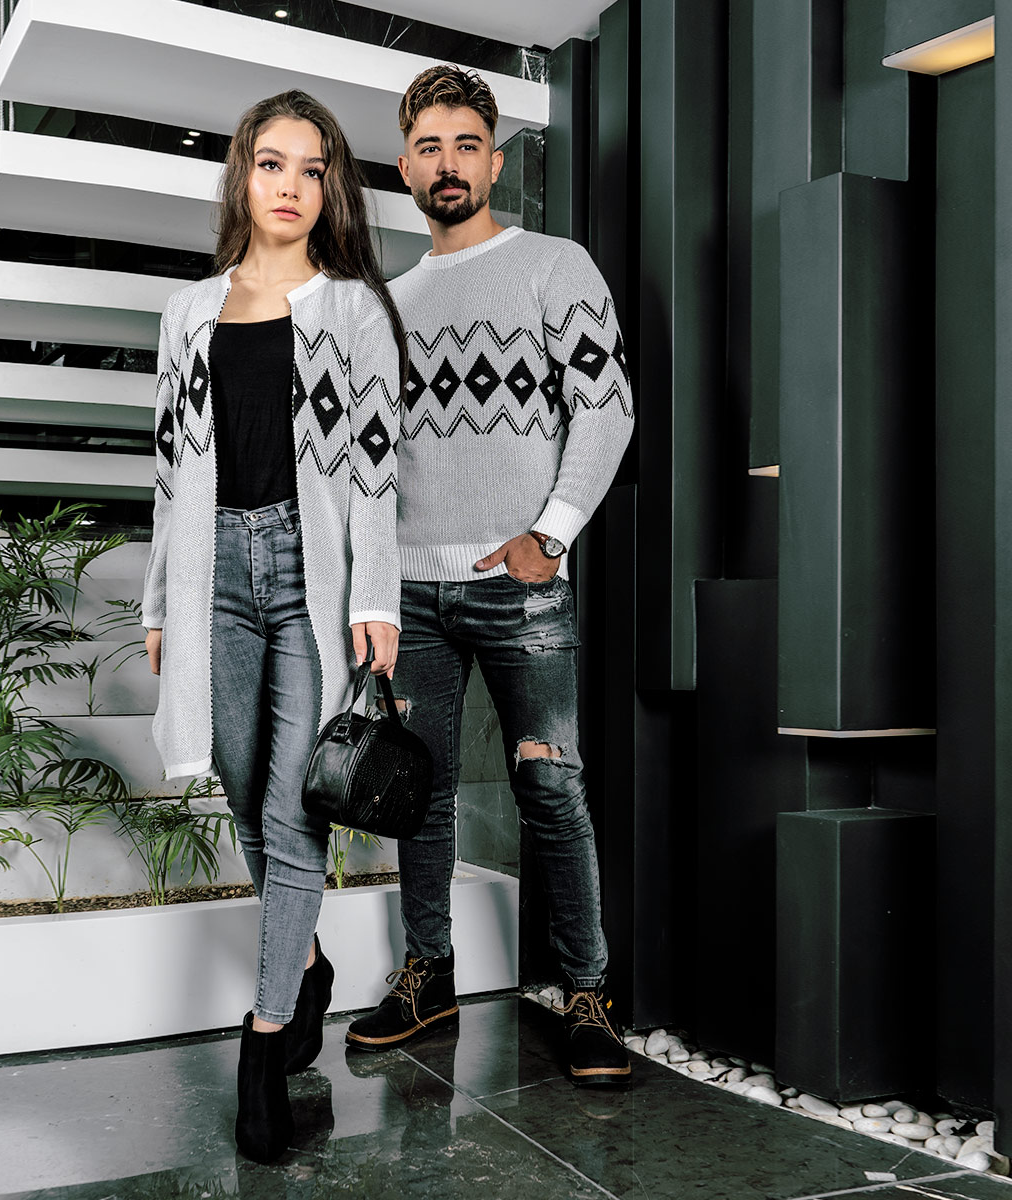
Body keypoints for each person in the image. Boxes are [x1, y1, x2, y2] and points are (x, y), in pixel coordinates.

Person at [344, 66, 635, 1086]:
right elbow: (371, 462)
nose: (449, 163)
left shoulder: (554, 266)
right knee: (417, 795)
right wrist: (372, 587)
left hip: (521, 587)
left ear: (495, 162)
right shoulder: (385, 303)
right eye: (430, 147)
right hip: (411, 598)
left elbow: (606, 408)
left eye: (466, 144)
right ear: (405, 167)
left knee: (550, 785)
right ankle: (429, 974)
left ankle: (587, 991)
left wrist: (549, 534)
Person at [142, 90, 405, 1162]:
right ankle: (303, 965)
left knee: (296, 809)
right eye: (271, 164)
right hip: (212, 571)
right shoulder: (187, 314)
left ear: (330, 188)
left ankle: (262, 1044)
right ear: (242, 177)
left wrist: (375, 597)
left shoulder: (354, 311)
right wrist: (159, 601)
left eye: (312, 169)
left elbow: (378, 469)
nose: (291, 186)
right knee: (246, 788)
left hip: (311, 572)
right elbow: (168, 473)